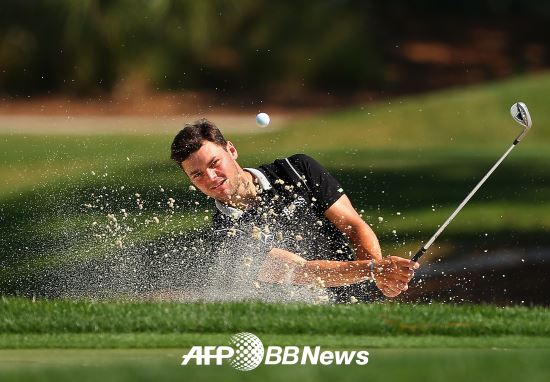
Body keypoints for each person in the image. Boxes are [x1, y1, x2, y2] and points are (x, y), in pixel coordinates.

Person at [170, 119, 419, 302]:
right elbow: (302, 271)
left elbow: (354, 225)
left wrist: (379, 275)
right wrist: (374, 270)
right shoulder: (225, 234)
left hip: (358, 298)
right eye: (197, 174)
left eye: (215, 163)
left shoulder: (297, 169)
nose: (211, 177)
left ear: (231, 151)